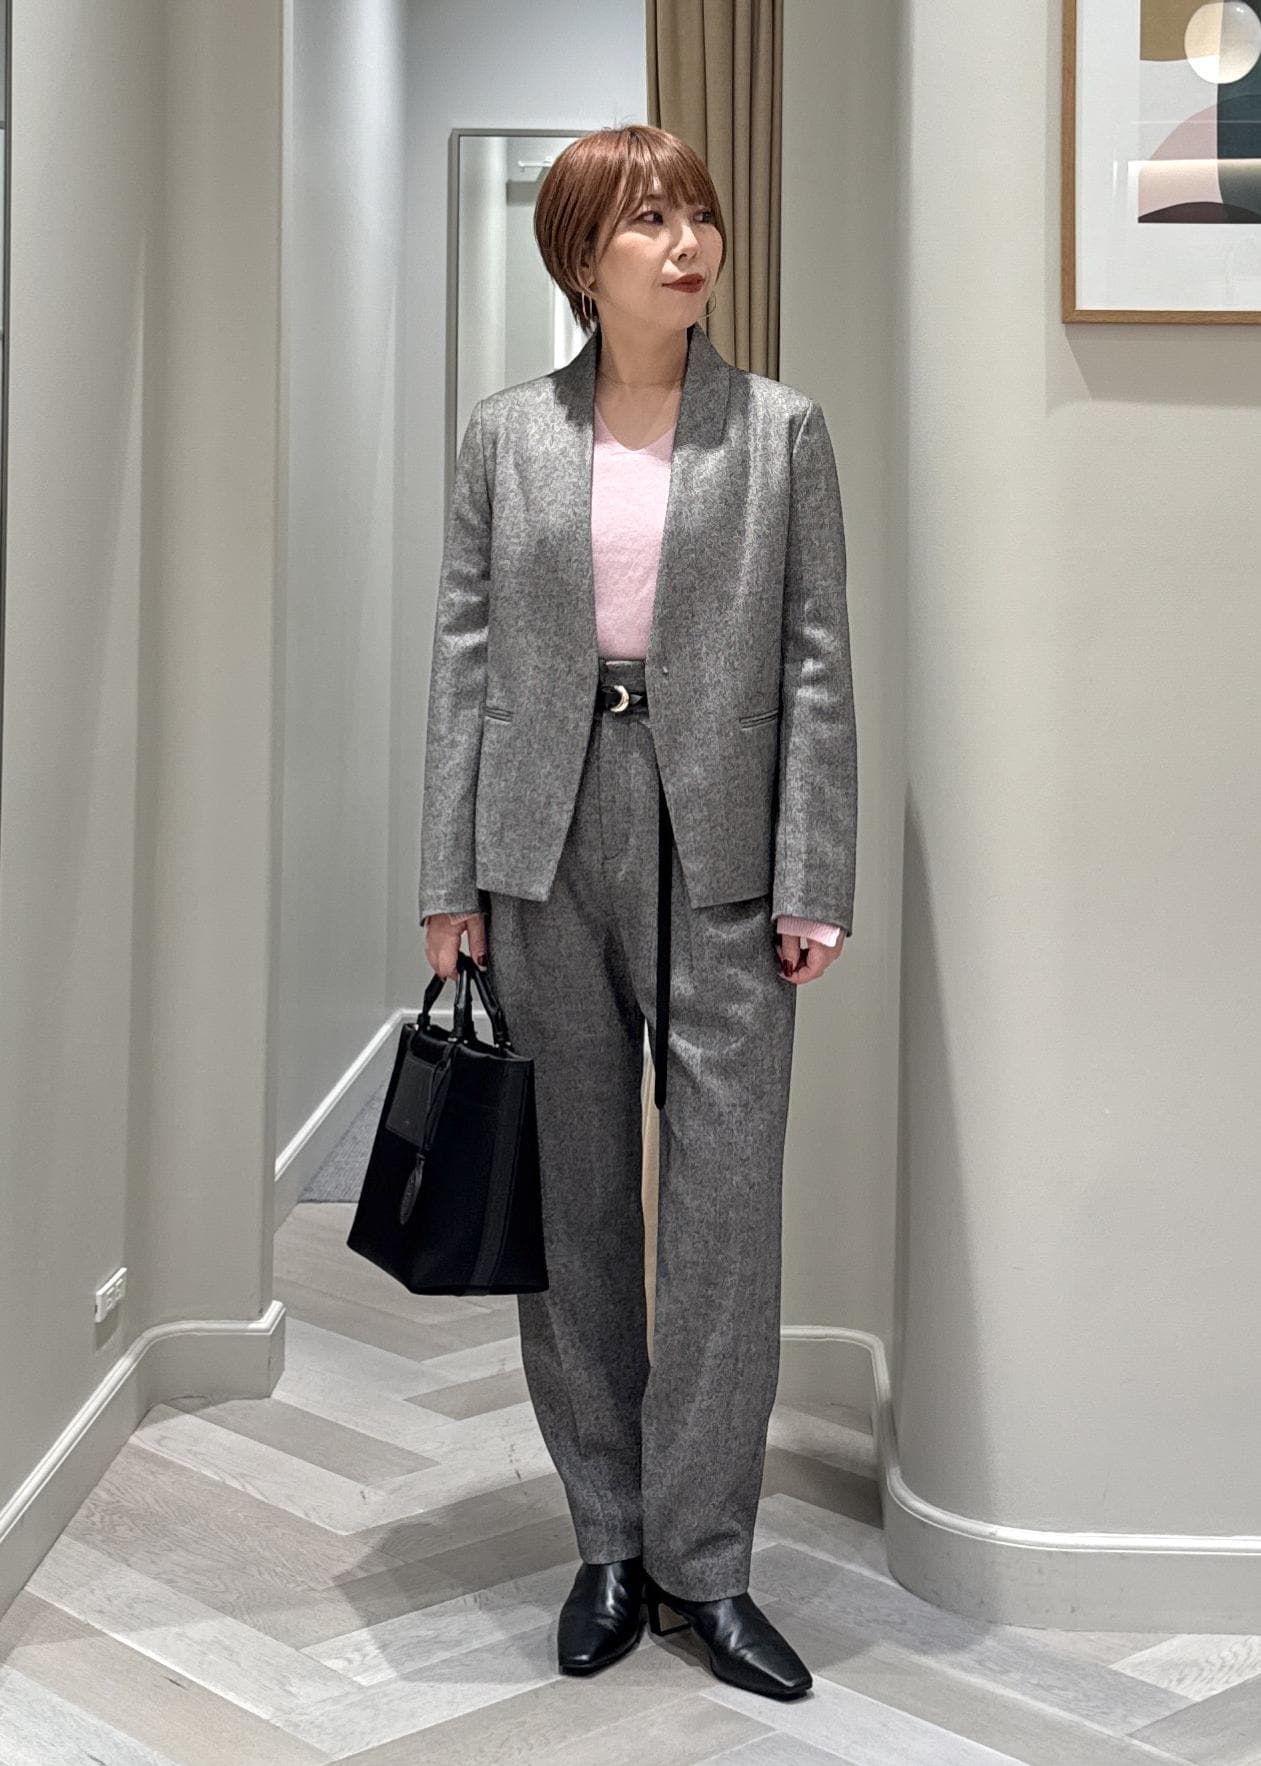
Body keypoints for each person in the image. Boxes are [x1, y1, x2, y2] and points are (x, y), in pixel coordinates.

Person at [418, 124, 856, 1701]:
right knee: (576, 1209)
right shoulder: (504, 436)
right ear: (581, 258)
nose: (687, 244)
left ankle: (705, 1561)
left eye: (698, 216)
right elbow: (464, 661)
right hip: (544, 843)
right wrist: (447, 882)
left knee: (725, 1220)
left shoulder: (780, 432)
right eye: (649, 219)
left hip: (723, 844)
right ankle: (607, 1536)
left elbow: (814, 662)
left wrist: (813, 875)